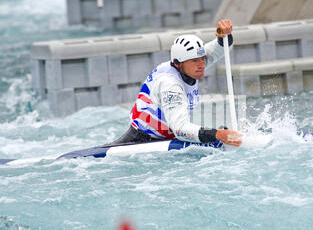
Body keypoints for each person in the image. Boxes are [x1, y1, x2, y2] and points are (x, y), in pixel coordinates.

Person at [103, 19, 242, 148]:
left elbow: (218, 49)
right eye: (195, 60)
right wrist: (217, 134)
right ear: (178, 63)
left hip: (165, 135)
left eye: (202, 58)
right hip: (143, 139)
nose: (201, 64)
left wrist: (223, 35)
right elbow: (180, 130)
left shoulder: (187, 65)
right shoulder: (170, 85)